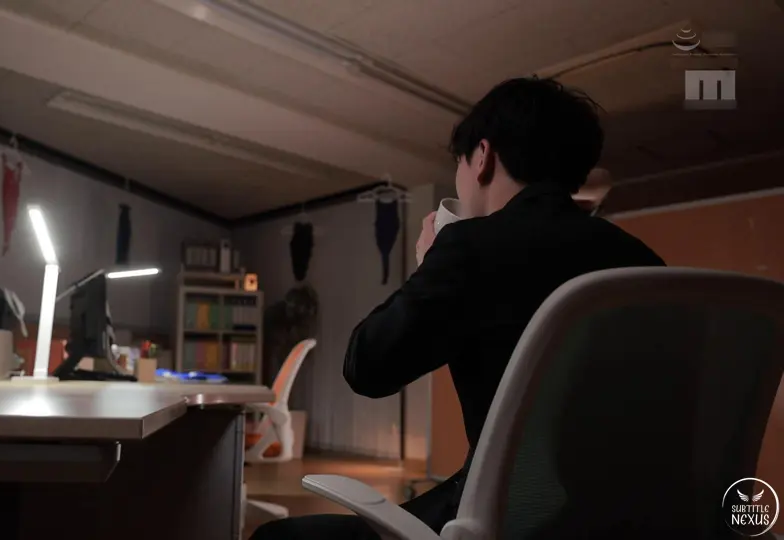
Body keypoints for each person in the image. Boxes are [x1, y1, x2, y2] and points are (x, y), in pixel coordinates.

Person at [250, 77, 665, 540]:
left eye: (460, 164)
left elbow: (366, 367)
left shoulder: (472, 246)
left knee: (278, 538)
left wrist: (431, 264)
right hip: (635, 522)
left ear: (482, 157)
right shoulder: (643, 262)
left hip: (510, 520)